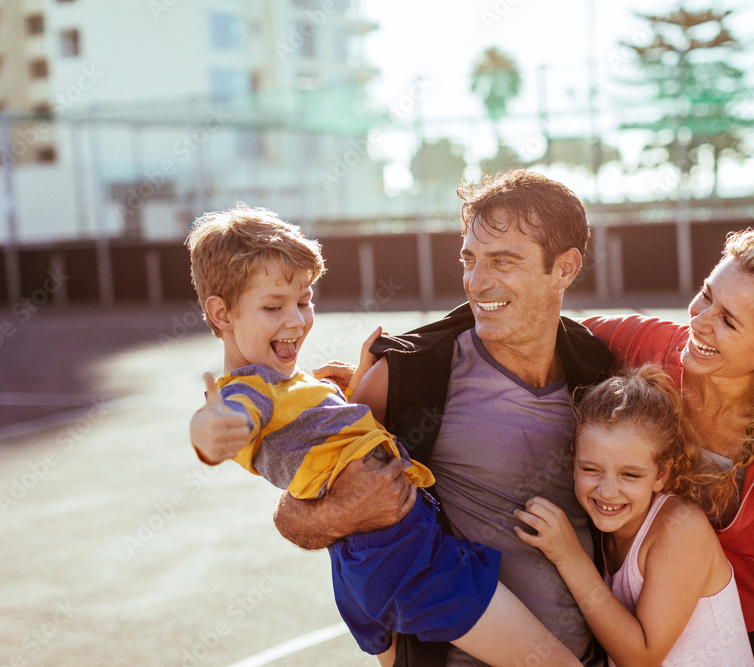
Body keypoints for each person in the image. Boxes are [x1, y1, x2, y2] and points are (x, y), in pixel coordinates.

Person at [185, 204, 581, 667]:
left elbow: (321, 434)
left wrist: (347, 398)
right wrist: (209, 431)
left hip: (376, 555)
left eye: (305, 300)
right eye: (273, 307)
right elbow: (229, 417)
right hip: (398, 552)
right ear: (222, 313)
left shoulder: (291, 385)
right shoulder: (251, 392)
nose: (295, 321)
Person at [265, 170, 616, 665]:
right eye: (469, 259)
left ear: (565, 267)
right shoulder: (409, 375)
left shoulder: (597, 371)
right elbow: (296, 515)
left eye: (503, 260)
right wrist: (340, 513)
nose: (478, 280)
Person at [582, 222, 754, 667]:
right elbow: (547, 331)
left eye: (728, 320)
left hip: (742, 638)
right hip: (628, 615)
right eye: (708, 294)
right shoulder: (651, 347)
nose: (699, 321)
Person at [515, 365, 754, 666]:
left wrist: (569, 557)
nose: (607, 491)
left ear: (661, 474)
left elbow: (642, 657)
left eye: (630, 475)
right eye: (591, 469)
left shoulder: (681, 528)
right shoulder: (600, 527)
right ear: (573, 459)